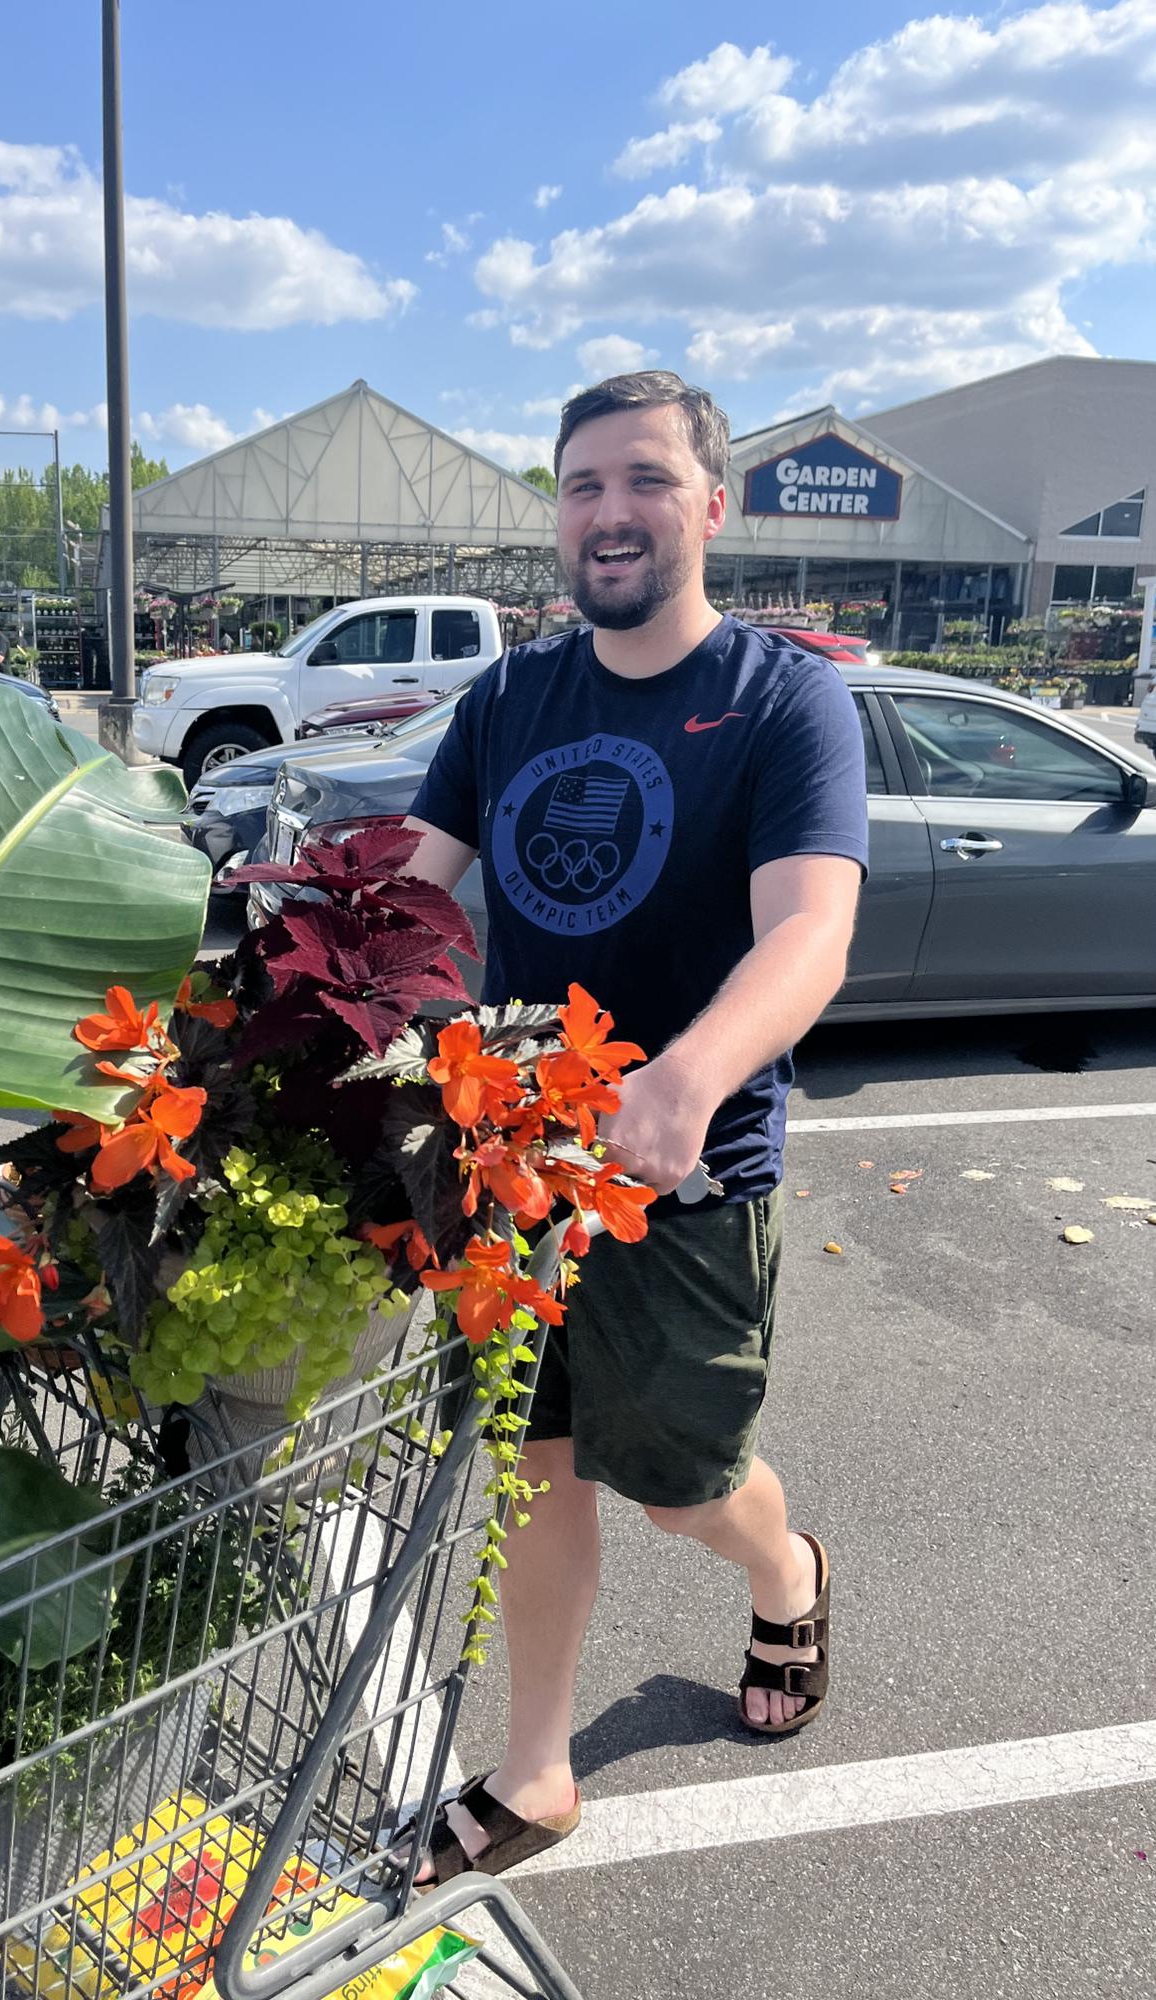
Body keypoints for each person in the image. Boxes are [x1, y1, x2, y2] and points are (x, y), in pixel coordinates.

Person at [402, 371, 867, 1883]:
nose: (610, 512)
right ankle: (538, 1771)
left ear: (712, 506)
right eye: (583, 484)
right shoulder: (509, 698)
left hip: (683, 1181)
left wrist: (687, 1078)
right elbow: (409, 894)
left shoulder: (786, 700)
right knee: (530, 1472)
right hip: (512, 1175)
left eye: (647, 480)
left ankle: (786, 1571)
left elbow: (810, 933)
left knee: (683, 1492)